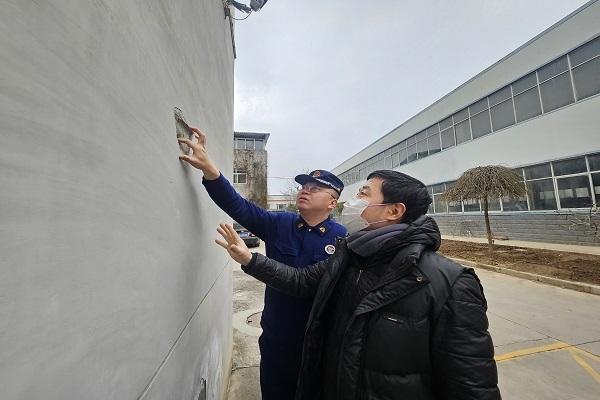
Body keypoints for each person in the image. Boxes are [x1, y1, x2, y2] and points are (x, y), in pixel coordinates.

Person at [215, 169, 501, 400]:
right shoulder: (349, 256)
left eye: (363, 193)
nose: (353, 201)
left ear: (394, 210)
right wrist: (250, 260)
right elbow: (300, 281)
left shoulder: (449, 283)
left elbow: (471, 384)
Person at [177, 127, 347, 400]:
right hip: (276, 337)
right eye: (303, 187)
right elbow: (239, 206)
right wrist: (210, 170)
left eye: (315, 189)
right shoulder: (280, 223)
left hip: (318, 342)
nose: (305, 191)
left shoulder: (343, 240)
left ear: (332, 202)